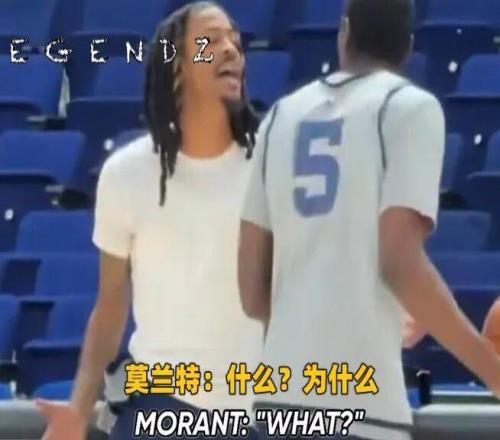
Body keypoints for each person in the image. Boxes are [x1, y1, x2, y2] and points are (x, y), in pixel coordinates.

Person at [238, 0, 500, 439]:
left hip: (277, 403)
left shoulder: (279, 117)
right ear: (408, 47)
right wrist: (492, 370)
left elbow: (251, 294)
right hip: (361, 407)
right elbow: (399, 263)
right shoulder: (410, 107)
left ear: (344, 34)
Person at [37, 2, 263, 439]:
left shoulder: (271, 164)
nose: (231, 50)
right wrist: (78, 409)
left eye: (235, 42)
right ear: (176, 66)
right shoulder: (126, 174)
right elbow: (110, 307)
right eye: (211, 40)